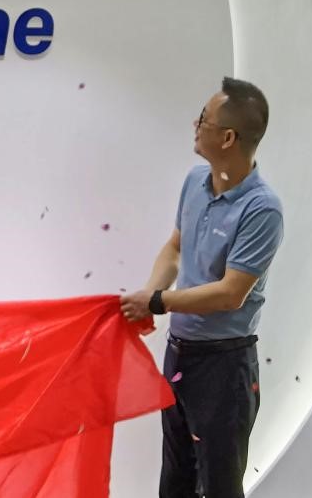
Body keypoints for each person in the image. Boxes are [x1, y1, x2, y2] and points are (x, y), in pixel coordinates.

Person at [120, 77, 283, 498]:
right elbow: (175, 248)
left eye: (203, 119)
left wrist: (157, 301)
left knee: (220, 486)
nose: (195, 125)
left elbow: (230, 293)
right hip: (181, 355)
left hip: (223, 367)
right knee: (175, 481)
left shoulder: (262, 209)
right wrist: (149, 293)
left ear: (228, 138)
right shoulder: (195, 182)